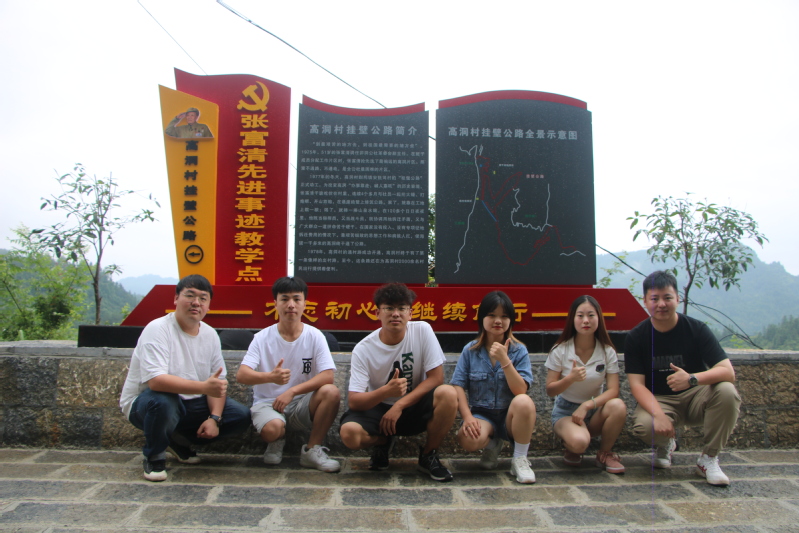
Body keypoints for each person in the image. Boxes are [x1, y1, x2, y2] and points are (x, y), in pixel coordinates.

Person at [119, 274, 251, 482]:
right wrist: (204, 387)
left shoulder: (210, 335)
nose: (196, 302)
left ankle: (177, 439)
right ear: (176, 298)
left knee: (240, 416)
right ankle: (154, 456)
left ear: (208, 305)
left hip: (190, 404)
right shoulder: (157, 329)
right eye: (190, 295)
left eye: (203, 298)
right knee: (164, 401)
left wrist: (214, 419)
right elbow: (156, 381)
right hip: (147, 402)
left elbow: (217, 383)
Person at [626, 270, 741, 486]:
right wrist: (659, 415)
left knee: (727, 391)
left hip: (697, 396)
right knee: (645, 426)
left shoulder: (696, 329)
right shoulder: (636, 337)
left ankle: (708, 458)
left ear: (678, 299)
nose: (661, 304)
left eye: (667, 297)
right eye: (655, 299)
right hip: (660, 399)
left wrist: (691, 379)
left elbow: (727, 372)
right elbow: (637, 385)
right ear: (645, 301)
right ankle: (666, 444)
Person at [339, 282, 458, 482]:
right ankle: (382, 441)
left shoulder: (422, 331)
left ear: (410, 313)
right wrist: (386, 392)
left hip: (413, 407)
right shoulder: (363, 349)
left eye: (401, 308)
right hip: (379, 410)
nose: (396, 314)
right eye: (389, 308)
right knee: (349, 434)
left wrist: (399, 405)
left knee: (448, 393)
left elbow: (437, 378)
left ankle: (428, 455)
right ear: (377, 313)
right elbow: (354, 401)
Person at [236, 276, 341, 472]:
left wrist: (292, 391)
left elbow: (328, 376)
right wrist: (270, 377)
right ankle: (277, 439)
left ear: (304, 304)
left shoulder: (315, 336)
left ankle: (312, 450)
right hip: (268, 404)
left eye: (296, 299)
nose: (291, 305)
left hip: (301, 404)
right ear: (275, 303)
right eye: (284, 299)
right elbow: (242, 375)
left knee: (331, 392)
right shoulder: (261, 338)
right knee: (272, 430)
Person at [450, 291, 537, 484]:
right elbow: (458, 385)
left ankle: (520, 459)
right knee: (467, 438)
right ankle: (492, 445)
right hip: (483, 415)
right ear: (482, 318)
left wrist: (505, 361)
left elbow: (520, 390)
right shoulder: (470, 350)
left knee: (524, 402)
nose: (498, 321)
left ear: (511, 320)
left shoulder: (519, 350)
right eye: (491, 315)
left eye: (504, 316)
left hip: (509, 416)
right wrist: (467, 417)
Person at [545, 295, 627, 474]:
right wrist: (570, 379)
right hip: (566, 412)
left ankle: (604, 454)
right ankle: (572, 444)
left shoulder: (607, 351)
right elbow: (550, 390)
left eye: (591, 315)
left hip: (595, 410)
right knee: (579, 443)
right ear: (572, 319)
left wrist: (587, 405)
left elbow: (614, 390)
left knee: (618, 406)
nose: (586, 321)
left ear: (599, 318)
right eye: (580, 315)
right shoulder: (560, 350)